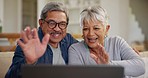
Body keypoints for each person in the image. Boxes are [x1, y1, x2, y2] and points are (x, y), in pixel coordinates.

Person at [68, 5, 145, 78]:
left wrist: (108, 65)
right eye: (86, 29)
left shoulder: (117, 42)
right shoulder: (75, 50)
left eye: (96, 28)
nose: (90, 34)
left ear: (106, 29)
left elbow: (140, 67)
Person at [5, 2, 78, 78]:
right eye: (51, 23)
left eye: (62, 24)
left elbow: (84, 49)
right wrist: (28, 63)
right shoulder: (29, 42)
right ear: (41, 23)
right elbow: (10, 76)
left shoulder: (68, 40)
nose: (57, 29)